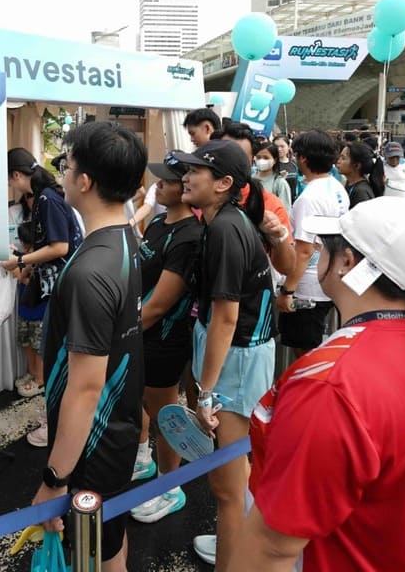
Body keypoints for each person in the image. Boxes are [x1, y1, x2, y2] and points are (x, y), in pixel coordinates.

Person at [239, 197, 405, 571]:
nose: (317, 255)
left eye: (326, 247)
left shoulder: (331, 385)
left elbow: (272, 546)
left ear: (347, 262)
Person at [29, 121, 147, 572]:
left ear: (85, 181)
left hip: (94, 443)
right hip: (114, 430)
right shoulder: (124, 237)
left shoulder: (90, 270)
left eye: (67, 165)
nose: (62, 173)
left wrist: (54, 477)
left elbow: (85, 387)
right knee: (109, 541)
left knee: (94, 550)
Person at [173, 140, 275, 570]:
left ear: (223, 184)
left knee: (228, 489)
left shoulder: (226, 230)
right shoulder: (225, 222)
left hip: (237, 361)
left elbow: (226, 318)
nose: (185, 177)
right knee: (231, 482)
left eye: (195, 170)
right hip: (234, 357)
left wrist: (206, 393)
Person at [128, 154, 203, 524]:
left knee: (165, 416)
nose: (158, 185)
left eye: (167, 181)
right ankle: (144, 458)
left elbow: (159, 305)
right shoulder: (158, 222)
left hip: (164, 339)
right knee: (139, 400)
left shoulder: (190, 236)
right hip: (140, 332)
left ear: (186, 188)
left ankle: (170, 487)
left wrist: (120, 333)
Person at [1, 148, 83, 406]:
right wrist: (25, 265)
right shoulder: (43, 197)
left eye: (9, 180)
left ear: (17, 175)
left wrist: (20, 261)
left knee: (50, 342)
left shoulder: (47, 199)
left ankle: (49, 390)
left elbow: (60, 247)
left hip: (61, 282)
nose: (11, 186)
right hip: (53, 280)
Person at [279, 131, 350, 358]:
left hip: (307, 288)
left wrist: (288, 290)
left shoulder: (309, 198)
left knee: (305, 355)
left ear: (303, 158)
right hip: (329, 279)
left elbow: (304, 249)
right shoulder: (337, 188)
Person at [218, 122, 296, 277]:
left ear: (250, 160)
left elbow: (287, 267)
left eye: (239, 155)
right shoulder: (200, 197)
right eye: (223, 154)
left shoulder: (269, 203)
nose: (230, 161)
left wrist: (278, 236)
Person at [11, 220, 45, 397]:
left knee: (38, 347)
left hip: (40, 312)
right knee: (26, 343)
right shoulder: (25, 257)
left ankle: (40, 380)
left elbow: (33, 284)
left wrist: (18, 273)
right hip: (25, 310)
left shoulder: (43, 259)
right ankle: (32, 373)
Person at [336, 141, 381, 207]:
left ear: (357, 165)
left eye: (343, 158)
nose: (338, 161)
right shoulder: (350, 183)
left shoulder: (361, 192)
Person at [253, 140, 294, 208]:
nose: (261, 160)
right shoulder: (251, 179)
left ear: (275, 160)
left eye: (266, 158)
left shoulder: (279, 183)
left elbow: (285, 210)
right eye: (258, 157)